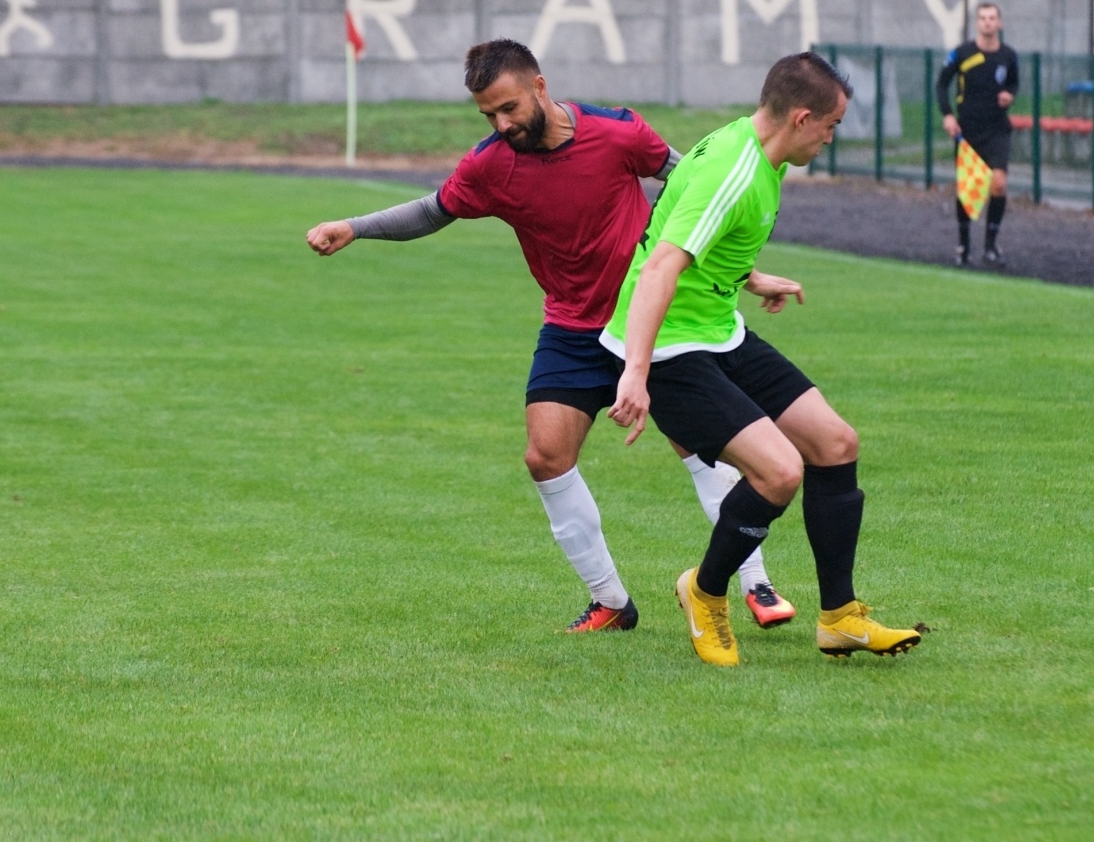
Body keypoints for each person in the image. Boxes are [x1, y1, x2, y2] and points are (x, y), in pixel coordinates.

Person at [305, 39, 797, 633]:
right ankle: (610, 602)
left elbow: (701, 193)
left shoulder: (617, 132)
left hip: (650, 321)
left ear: (539, 86)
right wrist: (354, 227)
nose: (501, 124)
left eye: (509, 108)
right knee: (545, 456)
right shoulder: (491, 164)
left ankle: (755, 581)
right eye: (488, 114)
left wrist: (745, 274)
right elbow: (435, 210)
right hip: (571, 327)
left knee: (699, 445)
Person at [601, 52, 925, 668]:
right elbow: (661, 265)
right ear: (801, 118)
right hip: (670, 349)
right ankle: (704, 594)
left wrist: (749, 278)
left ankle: (840, 620)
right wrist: (636, 372)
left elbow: (691, 231)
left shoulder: (756, 153)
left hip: (718, 330)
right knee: (779, 472)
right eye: (830, 126)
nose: (830, 139)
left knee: (835, 443)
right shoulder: (735, 168)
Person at [936, 1, 1019, 267]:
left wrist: (1009, 95)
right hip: (968, 130)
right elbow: (941, 84)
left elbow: (1013, 83)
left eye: (992, 18)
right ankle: (963, 245)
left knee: (999, 183)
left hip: (997, 129)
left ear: (999, 23)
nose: (987, 22)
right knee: (968, 189)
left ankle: (991, 246)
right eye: (983, 18)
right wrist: (948, 114)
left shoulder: (1008, 55)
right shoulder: (962, 53)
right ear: (977, 23)